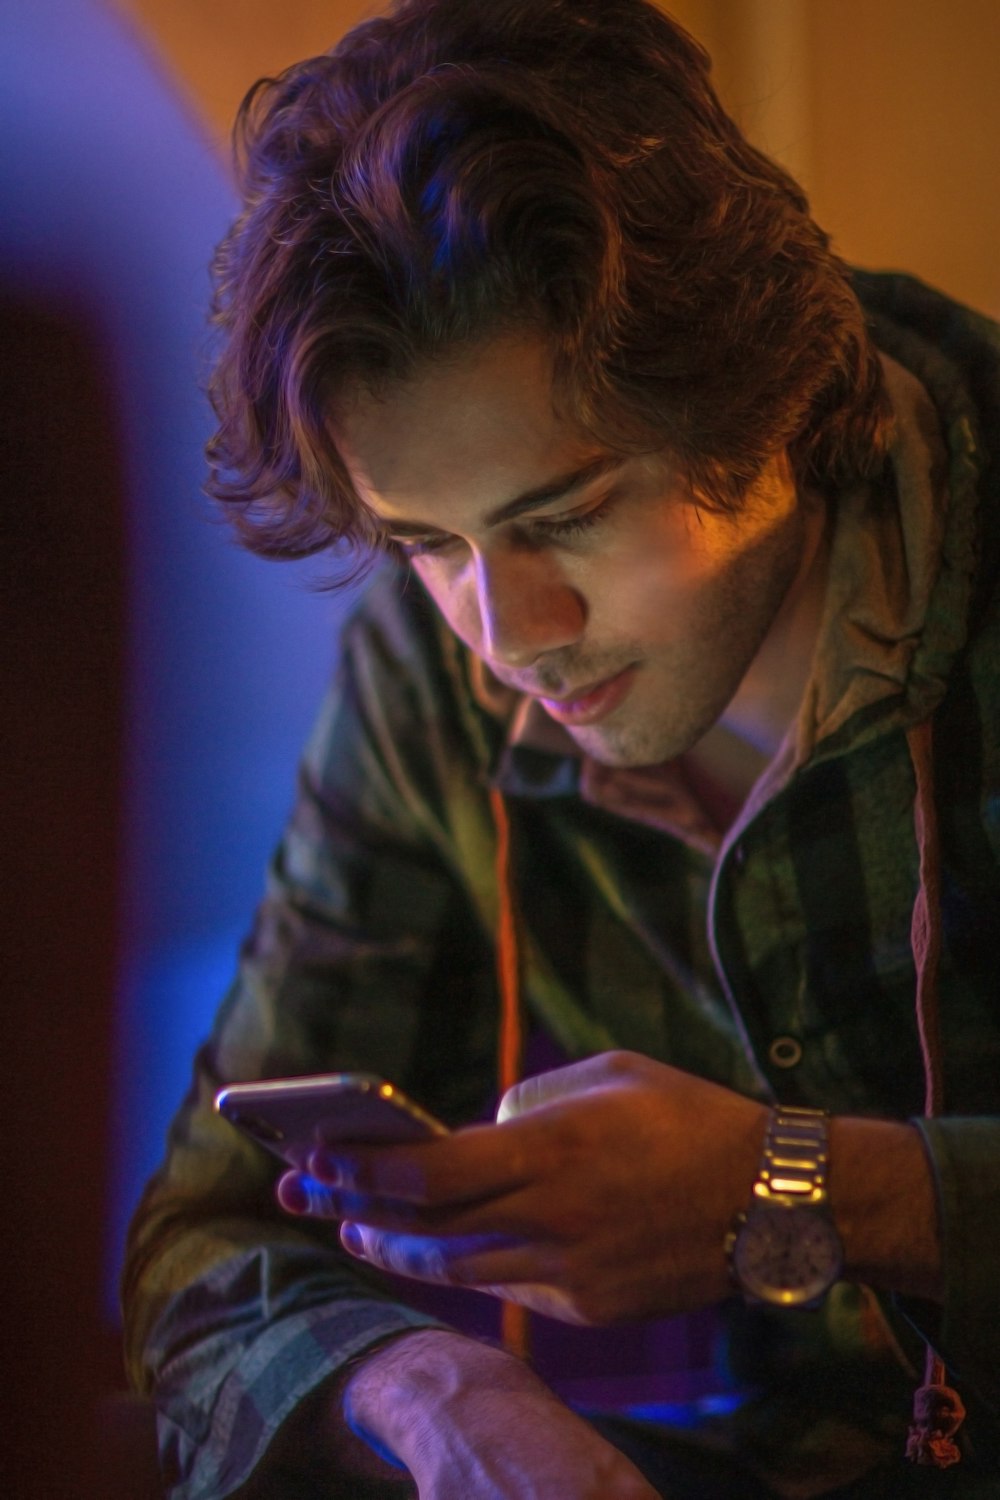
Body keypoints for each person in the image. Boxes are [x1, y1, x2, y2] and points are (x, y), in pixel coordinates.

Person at [122, 1, 1000, 1495]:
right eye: (423, 542)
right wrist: (421, 1392)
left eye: (564, 515)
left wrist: (801, 1189)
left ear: (757, 385)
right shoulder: (431, 664)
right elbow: (207, 1240)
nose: (506, 632)